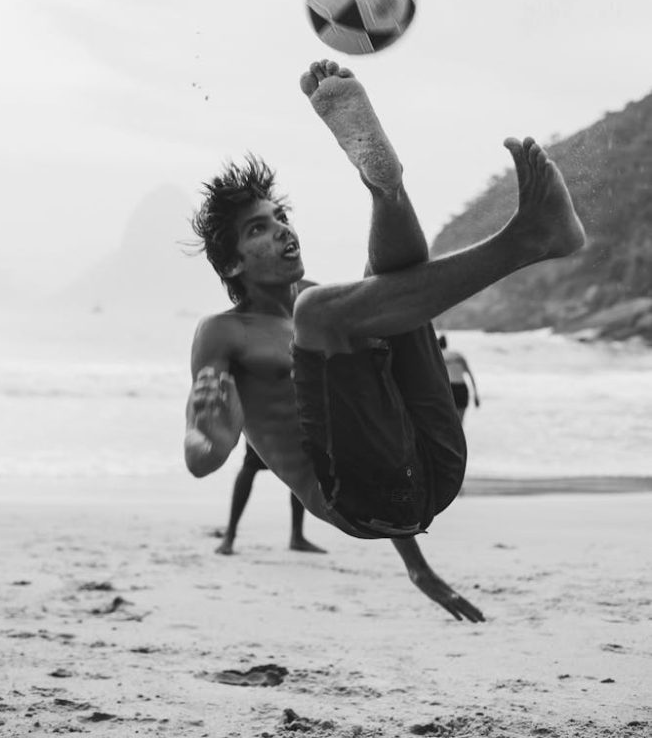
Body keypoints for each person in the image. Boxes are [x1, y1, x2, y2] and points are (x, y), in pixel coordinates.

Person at [184, 60, 585, 622]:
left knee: (386, 286)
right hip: (356, 500)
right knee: (329, 309)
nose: (280, 229)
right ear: (231, 262)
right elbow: (202, 459)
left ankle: (385, 186)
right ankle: (528, 239)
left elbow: (372, 432)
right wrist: (215, 434)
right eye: (258, 229)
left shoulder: (327, 310)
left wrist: (420, 570)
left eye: (279, 217)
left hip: (431, 467)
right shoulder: (224, 332)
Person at [215, 440, 327, 555]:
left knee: (299, 466)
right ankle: (230, 535)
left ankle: (297, 536)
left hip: (283, 425)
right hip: (263, 425)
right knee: (251, 463)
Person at [438, 334, 480, 424]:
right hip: (462, 388)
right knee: (460, 423)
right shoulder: (458, 355)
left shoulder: (439, 356)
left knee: (449, 423)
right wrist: (476, 395)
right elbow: (470, 375)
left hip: (450, 388)